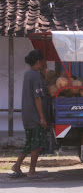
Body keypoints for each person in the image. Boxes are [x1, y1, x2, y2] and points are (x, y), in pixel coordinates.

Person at [10, 49, 48, 178]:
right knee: (35, 144)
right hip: (34, 115)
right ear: (38, 61)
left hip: (27, 114)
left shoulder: (28, 74)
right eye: (42, 61)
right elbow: (37, 97)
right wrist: (42, 117)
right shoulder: (35, 76)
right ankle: (31, 170)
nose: (44, 63)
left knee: (30, 142)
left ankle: (17, 165)